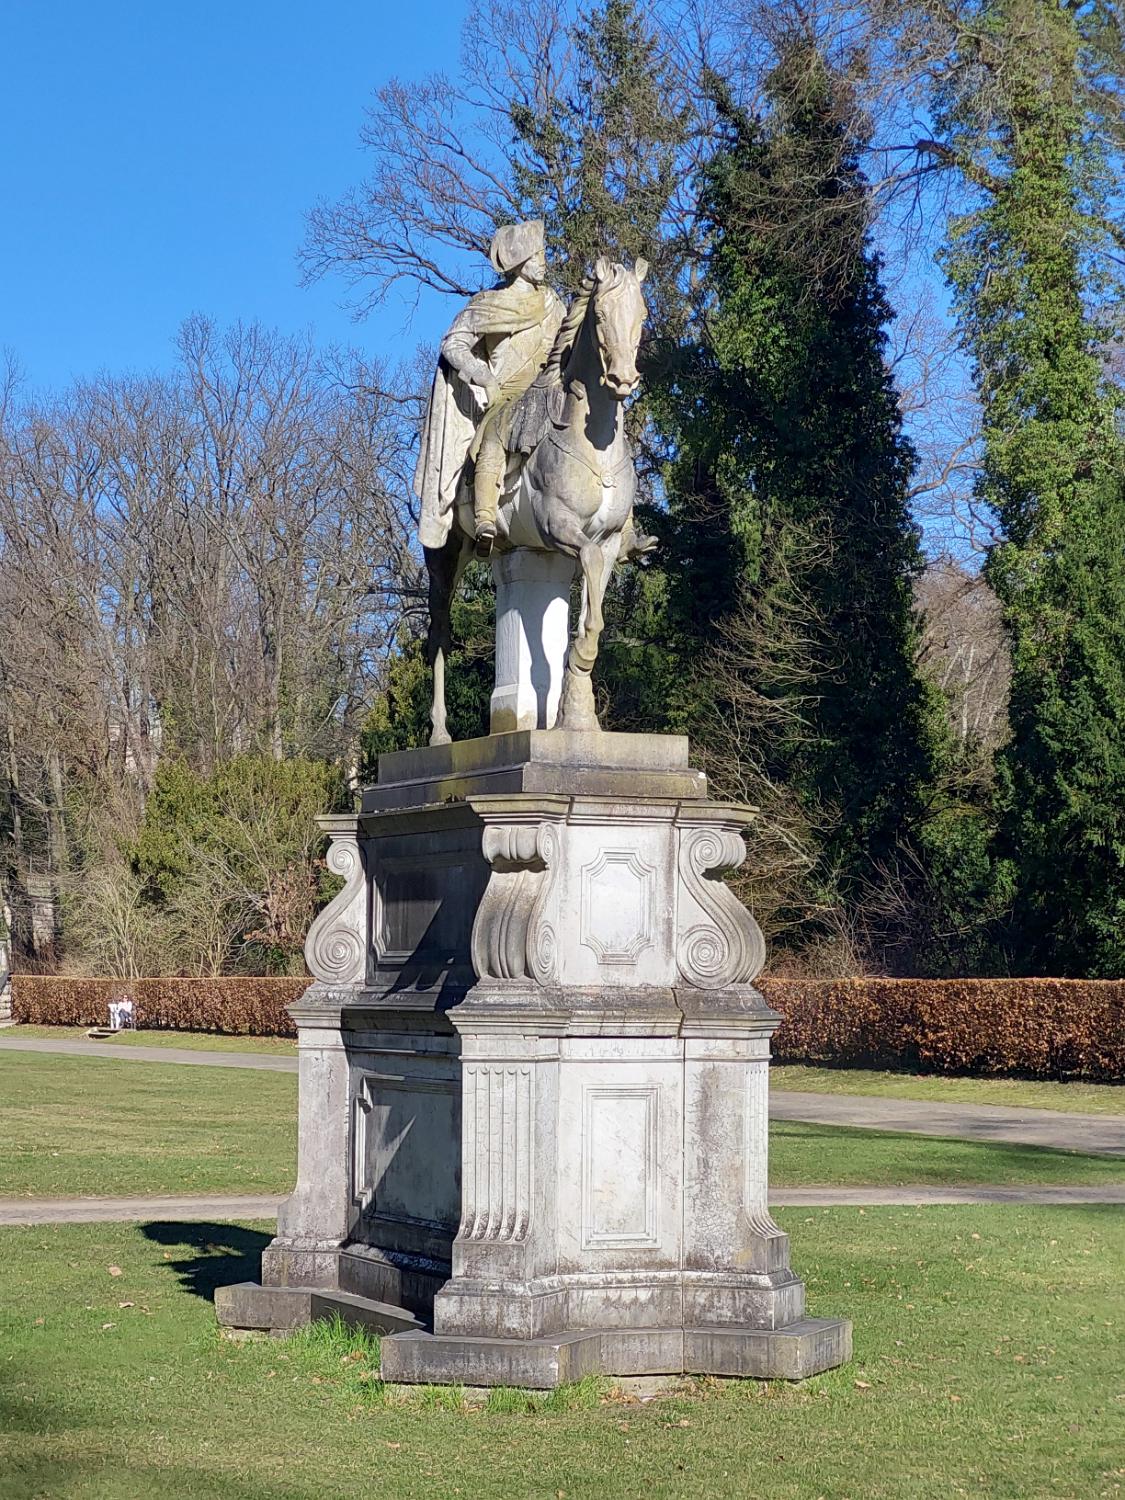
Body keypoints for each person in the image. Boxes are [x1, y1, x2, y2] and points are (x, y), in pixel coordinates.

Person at [415, 219, 565, 551]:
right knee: (495, 437)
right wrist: (483, 377)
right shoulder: (491, 304)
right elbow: (453, 344)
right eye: (538, 255)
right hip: (509, 395)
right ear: (521, 262)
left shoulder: (554, 304)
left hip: (552, 393)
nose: (544, 262)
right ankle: (484, 516)